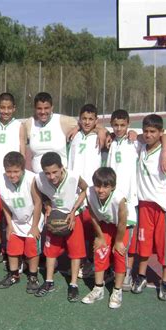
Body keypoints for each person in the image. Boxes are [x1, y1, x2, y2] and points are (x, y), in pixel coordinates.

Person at [106, 109, 166, 290]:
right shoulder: (110, 141)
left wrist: (165, 152)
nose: (119, 128)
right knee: (112, 235)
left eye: (123, 125)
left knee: (129, 240)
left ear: (128, 125)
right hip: (112, 198)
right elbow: (98, 129)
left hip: (130, 200)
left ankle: (127, 271)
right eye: (115, 125)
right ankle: (114, 268)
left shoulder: (135, 142)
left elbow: (165, 136)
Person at [131, 114, 166, 301]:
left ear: (160, 132)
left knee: (164, 247)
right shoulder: (141, 147)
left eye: (153, 131)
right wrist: (133, 133)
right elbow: (133, 135)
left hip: (163, 208)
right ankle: (142, 276)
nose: (148, 134)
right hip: (145, 206)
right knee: (143, 245)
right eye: (145, 131)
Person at [34, 152, 88, 302]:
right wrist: (47, 205)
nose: (51, 176)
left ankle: (73, 284)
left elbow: (85, 189)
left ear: (61, 168)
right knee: (50, 251)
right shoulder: (39, 179)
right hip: (55, 218)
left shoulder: (73, 177)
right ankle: (49, 281)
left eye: (54, 172)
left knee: (76, 252)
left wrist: (74, 210)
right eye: (47, 173)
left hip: (73, 217)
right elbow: (41, 194)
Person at [0, 93, 26, 265]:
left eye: (9, 107)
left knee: (16, 216)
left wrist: (21, 175)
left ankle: (17, 251)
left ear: (14, 108)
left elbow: (23, 150)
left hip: (12, 179)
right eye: (2, 107)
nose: (6, 111)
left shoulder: (19, 126)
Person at [67, 103, 106, 279]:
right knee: (77, 229)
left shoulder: (100, 136)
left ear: (96, 120)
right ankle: (80, 260)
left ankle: (92, 262)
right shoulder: (74, 135)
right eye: (84, 119)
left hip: (91, 192)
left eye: (91, 119)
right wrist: (77, 127)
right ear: (79, 119)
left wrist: (102, 129)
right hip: (74, 191)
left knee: (92, 229)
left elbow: (114, 133)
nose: (87, 122)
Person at [23, 92, 107, 174]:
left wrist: (101, 130)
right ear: (34, 108)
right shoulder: (29, 124)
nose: (43, 112)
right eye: (39, 108)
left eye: (46, 108)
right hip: (38, 177)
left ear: (52, 108)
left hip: (61, 177)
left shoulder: (63, 121)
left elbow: (87, 124)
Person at [82, 167, 129, 308]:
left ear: (113, 187)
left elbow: (122, 222)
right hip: (106, 222)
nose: (100, 190)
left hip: (124, 225)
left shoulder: (119, 199)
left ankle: (117, 290)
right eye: (97, 185)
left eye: (105, 186)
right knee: (100, 250)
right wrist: (100, 236)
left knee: (119, 253)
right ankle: (98, 288)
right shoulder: (89, 193)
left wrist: (118, 241)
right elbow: (93, 216)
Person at [0, 151, 44, 294]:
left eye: (16, 171)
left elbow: (38, 203)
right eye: (9, 171)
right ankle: (13, 274)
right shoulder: (2, 179)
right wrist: (9, 224)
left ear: (23, 169)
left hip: (32, 219)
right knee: (12, 245)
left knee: (31, 245)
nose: (12, 175)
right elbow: (4, 204)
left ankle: (33, 277)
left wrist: (35, 226)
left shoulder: (31, 179)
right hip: (16, 220)